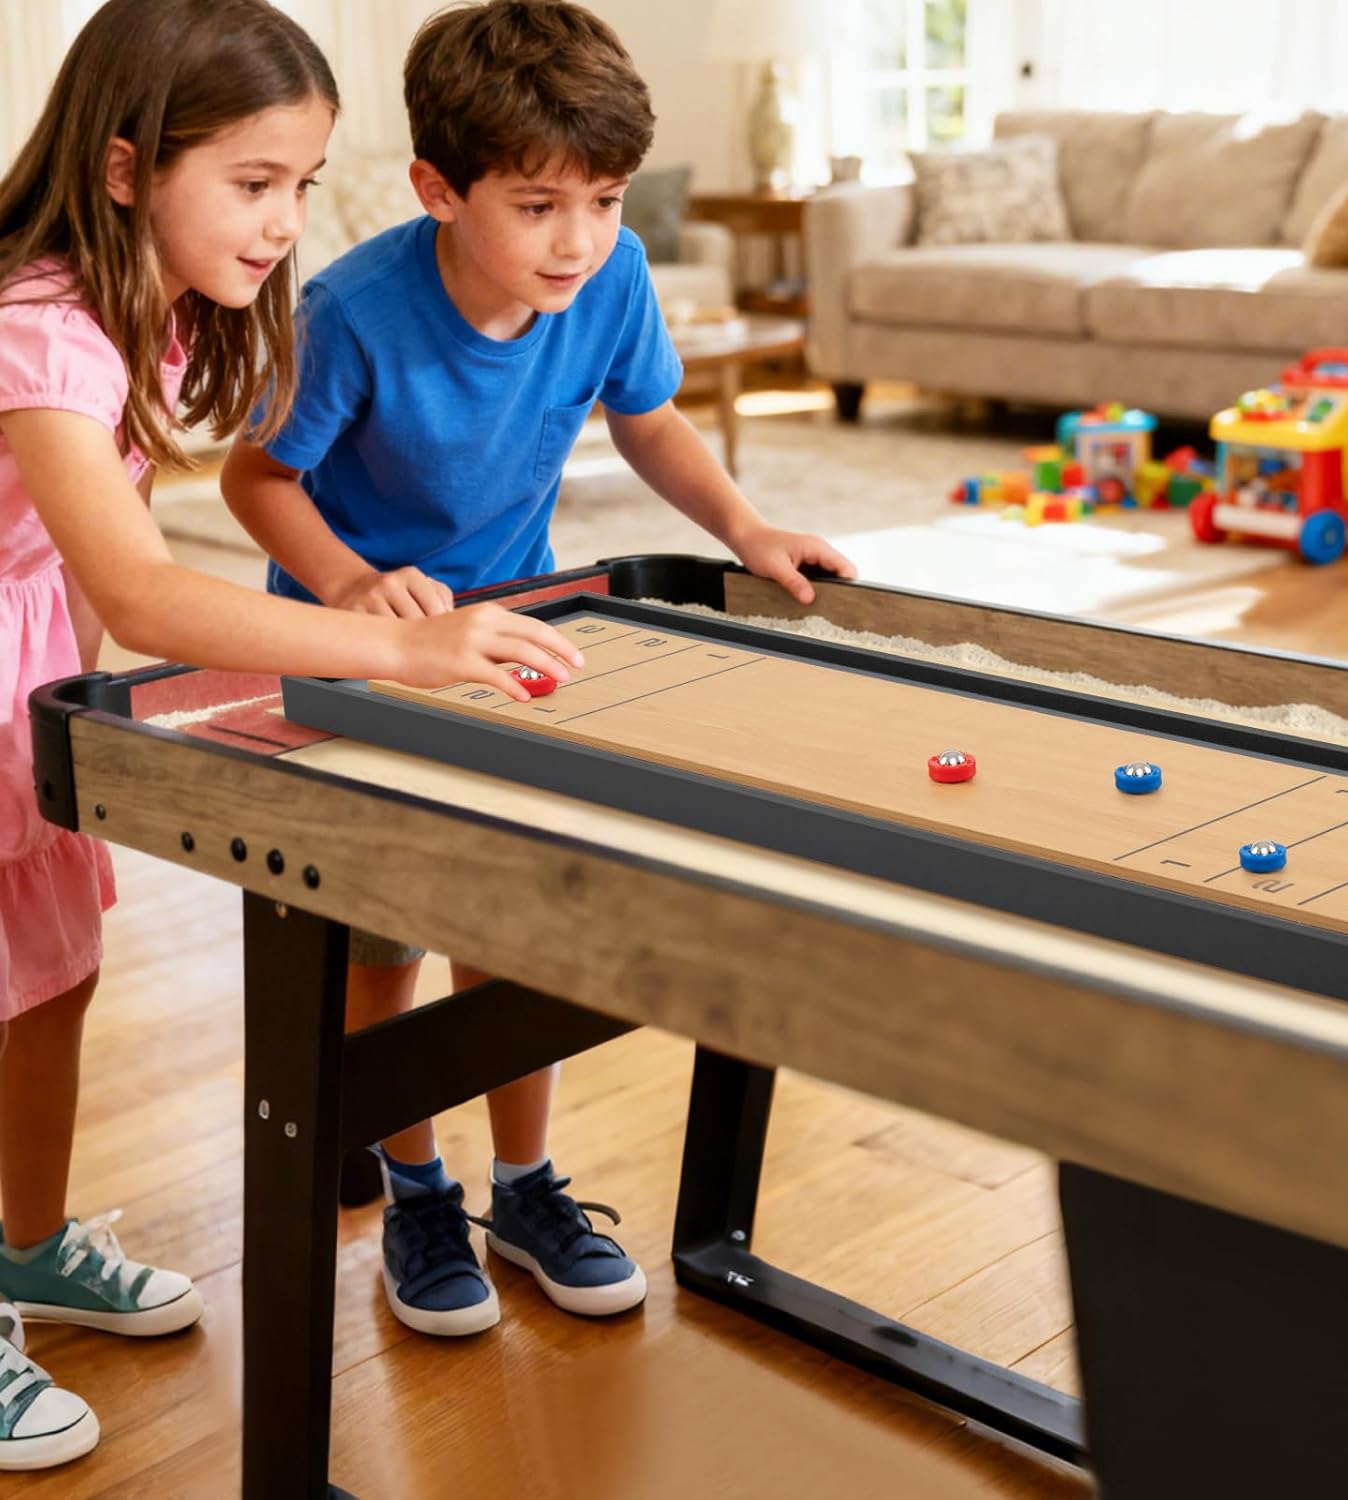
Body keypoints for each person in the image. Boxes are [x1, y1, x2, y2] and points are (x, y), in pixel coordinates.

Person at [0, 0, 583, 1466]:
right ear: (129, 168)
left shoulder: (128, 304)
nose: (284, 223)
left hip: (20, 672)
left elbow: (84, 572)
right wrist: (396, 644)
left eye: (304, 186)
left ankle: (25, 1246)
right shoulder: (35, 327)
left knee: (50, 978)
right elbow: (139, 586)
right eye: (254, 184)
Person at [221, 0, 855, 1337]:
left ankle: (524, 1183)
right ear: (439, 191)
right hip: (359, 662)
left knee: (515, 918)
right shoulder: (352, 313)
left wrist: (747, 529)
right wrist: (345, 582)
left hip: (515, 642)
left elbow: (650, 421)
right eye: (539, 205)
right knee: (384, 931)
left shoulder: (608, 284)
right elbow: (254, 475)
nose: (580, 242)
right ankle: (413, 1186)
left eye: (608, 201)